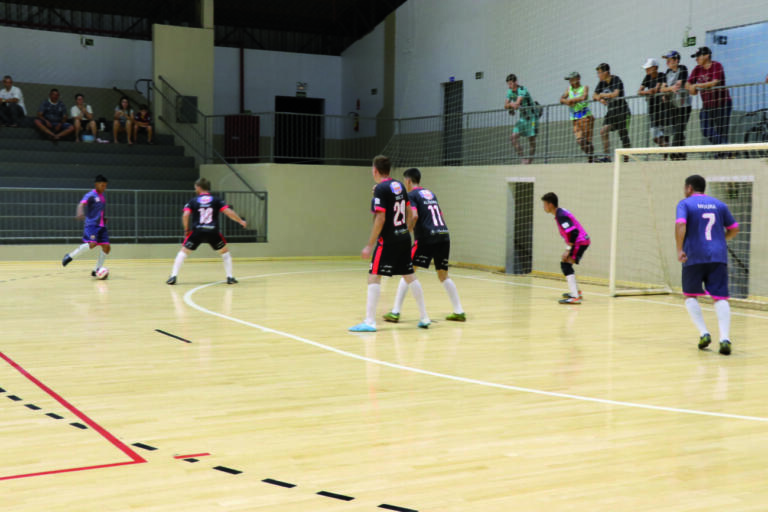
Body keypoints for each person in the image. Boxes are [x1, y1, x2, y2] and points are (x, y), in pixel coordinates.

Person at [349, 155, 430, 332]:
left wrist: (370, 245)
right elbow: (411, 212)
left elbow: (380, 217)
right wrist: (405, 230)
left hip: (387, 240)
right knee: (409, 276)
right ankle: (424, 317)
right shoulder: (399, 185)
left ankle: (370, 322)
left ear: (375, 170)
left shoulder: (380, 188)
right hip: (403, 237)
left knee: (374, 276)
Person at [383, 167, 465, 323]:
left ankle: (395, 312)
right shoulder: (430, 193)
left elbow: (414, 215)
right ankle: (459, 311)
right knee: (443, 275)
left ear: (407, 181)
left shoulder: (411, 194)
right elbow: (439, 214)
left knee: (407, 271)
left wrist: (408, 231)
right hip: (443, 235)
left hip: (427, 237)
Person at [675, 174, 739, 355]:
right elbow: (734, 228)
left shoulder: (685, 204)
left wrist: (680, 249)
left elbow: (681, 225)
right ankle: (725, 339)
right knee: (720, 298)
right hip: (718, 256)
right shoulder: (719, 204)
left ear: (689, 188)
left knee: (690, 296)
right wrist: (721, 239)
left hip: (694, 255)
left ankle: (704, 333)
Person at [166, 178, 247, 285]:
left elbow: (185, 215)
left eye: (195, 187)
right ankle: (230, 277)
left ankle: (173, 276)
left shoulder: (193, 201)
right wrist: (240, 221)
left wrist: (186, 230)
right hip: (212, 232)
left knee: (183, 252)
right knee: (225, 253)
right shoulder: (216, 200)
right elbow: (228, 212)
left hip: (197, 231)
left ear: (199, 187)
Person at [541, 192, 590, 304]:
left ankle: (575, 297)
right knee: (566, 264)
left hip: (580, 242)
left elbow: (574, 232)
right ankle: (576, 293)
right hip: (581, 241)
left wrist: (568, 249)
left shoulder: (560, 216)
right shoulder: (560, 212)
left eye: (545, 204)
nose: (544, 207)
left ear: (550, 204)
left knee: (565, 264)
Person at [62, 175, 111, 276]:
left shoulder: (102, 197)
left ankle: (96, 270)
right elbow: (81, 204)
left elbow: (100, 209)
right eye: (102, 185)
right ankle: (70, 256)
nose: (104, 188)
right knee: (92, 244)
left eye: (105, 186)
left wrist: (104, 218)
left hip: (101, 226)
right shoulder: (90, 195)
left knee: (106, 247)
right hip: (92, 225)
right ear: (96, 184)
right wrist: (80, 213)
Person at [686, 47, 732, 150]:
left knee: (722, 130)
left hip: (722, 104)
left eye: (698, 56)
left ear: (707, 55)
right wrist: (691, 88)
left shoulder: (716, 65)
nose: (696, 59)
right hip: (707, 105)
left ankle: (722, 152)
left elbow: (715, 82)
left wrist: (697, 86)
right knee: (706, 129)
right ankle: (726, 149)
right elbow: (687, 84)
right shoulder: (697, 69)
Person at [593, 63, 631, 162]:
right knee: (603, 131)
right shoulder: (601, 82)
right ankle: (607, 157)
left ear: (606, 72)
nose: (598, 75)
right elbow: (594, 95)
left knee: (623, 135)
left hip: (622, 110)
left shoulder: (616, 79)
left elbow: (616, 93)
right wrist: (600, 99)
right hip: (611, 112)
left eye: (599, 73)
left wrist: (602, 94)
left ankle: (627, 158)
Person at [660, 50, 691, 160]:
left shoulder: (682, 69)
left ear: (676, 60)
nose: (667, 62)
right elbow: (662, 88)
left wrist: (669, 89)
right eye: (667, 60)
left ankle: (674, 153)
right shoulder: (667, 72)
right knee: (678, 131)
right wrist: (669, 89)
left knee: (679, 129)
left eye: (670, 60)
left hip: (684, 106)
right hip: (672, 105)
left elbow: (678, 85)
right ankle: (681, 154)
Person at [560, 72, 594, 163]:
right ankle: (591, 156)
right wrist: (566, 101)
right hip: (575, 118)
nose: (570, 82)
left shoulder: (584, 88)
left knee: (587, 140)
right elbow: (561, 99)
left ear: (578, 79)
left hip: (585, 116)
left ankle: (591, 159)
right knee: (579, 140)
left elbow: (584, 96)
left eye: (572, 79)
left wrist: (572, 100)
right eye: (569, 80)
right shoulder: (569, 89)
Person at [504, 74, 537, 164]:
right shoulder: (509, 92)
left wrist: (512, 106)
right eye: (508, 84)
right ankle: (523, 159)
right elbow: (505, 105)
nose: (509, 86)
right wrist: (510, 106)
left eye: (511, 84)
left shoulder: (522, 89)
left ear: (516, 82)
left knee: (531, 140)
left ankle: (529, 161)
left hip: (532, 118)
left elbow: (517, 103)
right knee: (513, 137)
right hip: (522, 119)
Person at [638, 58, 669, 154]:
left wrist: (654, 90)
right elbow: (639, 91)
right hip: (652, 108)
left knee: (664, 134)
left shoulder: (662, 75)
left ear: (655, 68)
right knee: (655, 136)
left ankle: (666, 155)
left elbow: (659, 88)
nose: (646, 70)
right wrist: (648, 91)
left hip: (662, 108)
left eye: (648, 68)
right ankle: (668, 149)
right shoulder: (647, 77)